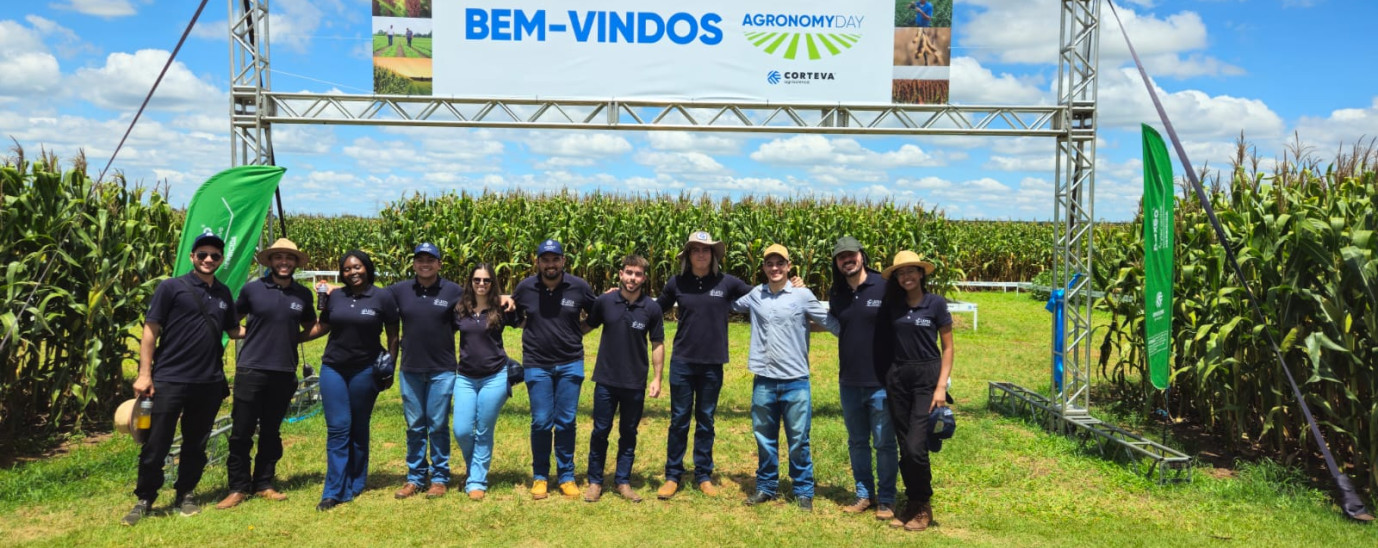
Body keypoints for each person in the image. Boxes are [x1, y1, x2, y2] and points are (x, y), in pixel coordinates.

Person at [123, 232, 242, 526]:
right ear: (192, 257)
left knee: (196, 443)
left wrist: (275, 331)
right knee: (156, 443)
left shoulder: (224, 293)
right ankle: (145, 497)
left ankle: (185, 493)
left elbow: (235, 331)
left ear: (220, 260)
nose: (209, 260)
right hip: (169, 379)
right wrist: (144, 373)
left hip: (209, 381)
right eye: (203, 254)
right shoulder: (171, 288)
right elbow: (150, 331)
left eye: (215, 255)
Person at [733, 244, 838, 512]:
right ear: (764, 268)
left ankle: (803, 490)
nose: (775, 268)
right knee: (764, 438)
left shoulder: (802, 295)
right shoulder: (755, 295)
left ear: (789, 266)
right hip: (764, 380)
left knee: (799, 439)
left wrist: (863, 329)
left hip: (795, 381)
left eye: (780, 263)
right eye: (770, 264)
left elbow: (830, 322)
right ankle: (766, 486)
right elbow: (725, 301)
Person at [216, 238, 317, 510]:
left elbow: (311, 325)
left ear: (295, 263)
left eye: (289, 258)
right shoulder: (253, 290)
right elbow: (231, 323)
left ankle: (264, 483)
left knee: (271, 431)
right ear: (270, 261)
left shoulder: (303, 295)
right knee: (241, 431)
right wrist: (250, 335)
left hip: (284, 371)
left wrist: (291, 339)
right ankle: (238, 487)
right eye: (278, 257)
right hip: (251, 368)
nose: (284, 262)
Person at [652, 231, 750, 499]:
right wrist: (625, 300)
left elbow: (760, 297)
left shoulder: (727, 283)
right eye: (696, 249)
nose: (701, 254)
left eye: (706, 250)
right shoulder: (676, 283)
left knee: (705, 419)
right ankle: (673, 475)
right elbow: (654, 309)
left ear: (713, 255)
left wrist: (792, 285)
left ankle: (704, 475)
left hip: (712, 363)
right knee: (679, 420)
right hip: (682, 361)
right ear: (688, 255)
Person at [304, 250, 400, 511]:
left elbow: (393, 335)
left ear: (367, 268)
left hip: (366, 370)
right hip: (333, 368)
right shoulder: (336, 296)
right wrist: (292, 337)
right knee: (338, 427)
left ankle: (356, 481)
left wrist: (390, 366)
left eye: (357, 267)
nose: (352, 272)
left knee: (359, 427)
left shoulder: (383, 297)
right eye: (346, 269)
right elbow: (323, 325)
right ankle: (333, 491)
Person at [510, 238, 596, 499]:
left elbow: (597, 313)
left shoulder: (579, 287)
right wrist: (531, 328)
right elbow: (512, 316)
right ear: (537, 262)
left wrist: (579, 331)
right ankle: (540, 476)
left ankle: (567, 476)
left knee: (567, 421)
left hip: (571, 362)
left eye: (554, 259)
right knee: (541, 421)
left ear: (563, 261)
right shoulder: (525, 288)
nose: (550, 264)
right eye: (545, 259)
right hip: (537, 364)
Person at [875, 250, 954, 532]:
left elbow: (947, 348)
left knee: (915, 447)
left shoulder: (936, 304)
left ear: (921, 274)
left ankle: (922, 504)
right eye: (900, 273)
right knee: (904, 445)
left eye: (911, 271)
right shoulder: (892, 306)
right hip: (898, 377)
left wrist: (941, 386)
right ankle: (913, 501)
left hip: (927, 378)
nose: (906, 276)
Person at [582, 255, 665, 503]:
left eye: (638, 274)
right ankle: (595, 482)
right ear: (620, 274)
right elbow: (586, 326)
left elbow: (658, 343)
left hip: (634, 382)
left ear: (644, 278)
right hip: (606, 380)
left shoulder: (651, 308)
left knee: (629, 432)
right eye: (629, 272)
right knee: (600, 431)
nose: (633, 278)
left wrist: (657, 378)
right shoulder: (605, 301)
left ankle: (623, 481)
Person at [827, 237, 899, 520]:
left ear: (862, 256)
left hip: (881, 381)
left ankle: (887, 499)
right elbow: (835, 323)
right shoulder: (837, 293)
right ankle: (863, 494)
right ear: (836, 262)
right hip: (849, 381)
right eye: (841, 257)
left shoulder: (884, 286)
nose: (847, 260)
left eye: (851, 255)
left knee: (883, 443)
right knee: (857, 442)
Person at [387, 243, 463, 499]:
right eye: (420, 259)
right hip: (410, 368)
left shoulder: (453, 291)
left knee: (438, 423)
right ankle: (415, 477)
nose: (425, 263)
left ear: (439, 264)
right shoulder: (400, 290)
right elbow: (370, 295)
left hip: (442, 369)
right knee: (415, 425)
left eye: (431, 259)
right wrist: (333, 289)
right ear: (413, 264)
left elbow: (473, 311)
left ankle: (440, 477)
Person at [452, 263, 520, 501]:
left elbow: (528, 318)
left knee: (483, 430)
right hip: (465, 378)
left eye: (486, 281)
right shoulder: (459, 308)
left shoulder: (501, 308)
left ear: (493, 284)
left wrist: (511, 298)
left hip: (495, 376)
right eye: (477, 280)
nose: (481, 284)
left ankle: (477, 480)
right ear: (470, 282)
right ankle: (474, 470)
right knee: (460, 430)